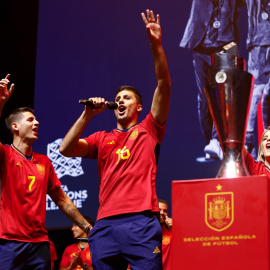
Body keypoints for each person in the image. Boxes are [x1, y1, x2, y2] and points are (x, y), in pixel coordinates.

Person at [59, 9, 171, 270]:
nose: (121, 100)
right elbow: (65, 149)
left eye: (127, 98)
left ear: (140, 107)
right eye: (118, 97)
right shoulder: (101, 138)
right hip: (106, 224)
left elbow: (164, 83)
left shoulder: (150, 129)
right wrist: (87, 115)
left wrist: (156, 44)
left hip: (141, 222)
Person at [0, 74, 92, 270]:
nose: (37, 123)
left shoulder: (44, 161)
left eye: (37, 120)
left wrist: (86, 227)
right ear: (15, 126)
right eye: (31, 120)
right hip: (8, 242)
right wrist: (0, 102)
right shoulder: (5, 154)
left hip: (39, 244)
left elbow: (62, 199)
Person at [180, 0, 244, 161]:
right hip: (201, 45)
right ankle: (211, 142)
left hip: (226, 45)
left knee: (225, 95)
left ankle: (218, 141)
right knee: (205, 99)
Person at [244, 0, 270, 159]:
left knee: (262, 91)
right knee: (257, 91)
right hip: (258, 45)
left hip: (261, 43)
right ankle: (249, 139)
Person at [158, 199, 172, 270]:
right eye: (159, 210)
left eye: (165, 211)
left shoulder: (171, 232)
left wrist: (176, 230)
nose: (162, 213)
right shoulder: (145, 233)